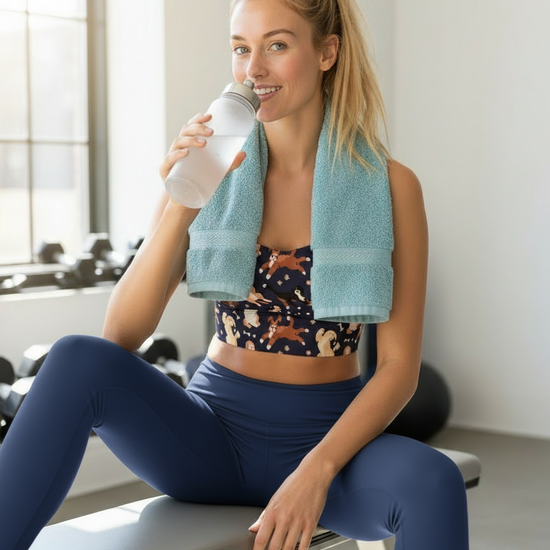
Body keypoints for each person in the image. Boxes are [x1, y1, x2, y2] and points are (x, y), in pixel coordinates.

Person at [0, 0, 469, 549]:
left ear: (326, 51)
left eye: (277, 45)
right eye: (241, 48)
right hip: (210, 437)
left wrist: (315, 472)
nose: (254, 70)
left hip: (328, 440)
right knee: (77, 357)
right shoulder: (208, 165)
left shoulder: (390, 186)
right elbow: (121, 337)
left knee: (436, 482)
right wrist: (181, 199)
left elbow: (397, 370)